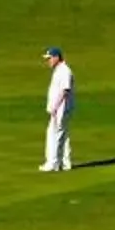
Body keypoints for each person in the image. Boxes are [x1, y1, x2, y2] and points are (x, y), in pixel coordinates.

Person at [41, 47, 74, 175]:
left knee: (54, 134)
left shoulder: (65, 71)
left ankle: (53, 164)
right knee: (62, 135)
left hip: (61, 108)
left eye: (49, 58)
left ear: (57, 57)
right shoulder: (59, 70)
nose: (48, 61)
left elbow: (65, 90)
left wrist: (55, 106)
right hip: (60, 108)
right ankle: (65, 163)